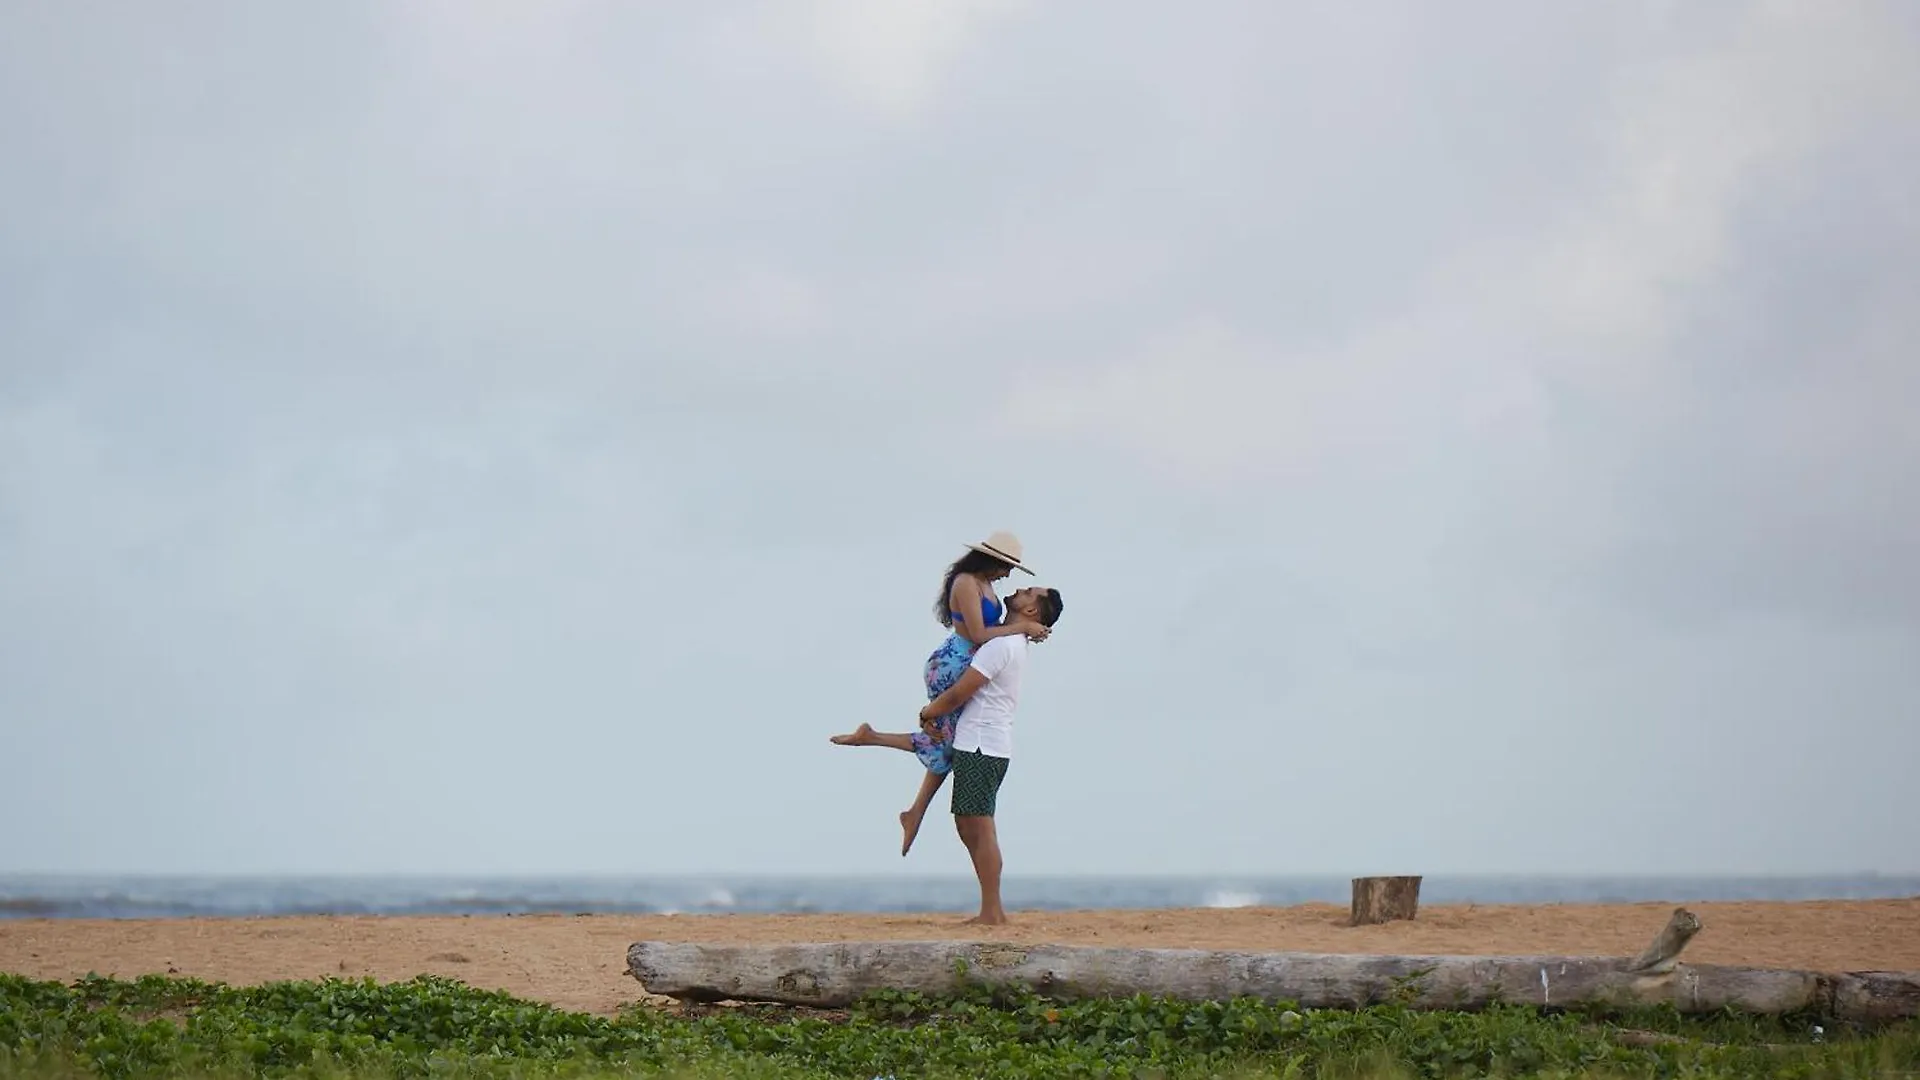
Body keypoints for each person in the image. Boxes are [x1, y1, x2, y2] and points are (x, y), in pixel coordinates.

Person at [832, 584, 1064, 924]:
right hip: (983, 743)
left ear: (1032, 611)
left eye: (1028, 592)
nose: (1018, 588)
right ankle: (991, 910)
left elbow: (959, 693)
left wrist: (928, 713)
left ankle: (992, 912)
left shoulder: (1000, 647)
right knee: (973, 827)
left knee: (978, 829)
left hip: (982, 745)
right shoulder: (1010, 642)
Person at [831, 531, 1050, 856]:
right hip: (952, 663)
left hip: (966, 662)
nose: (1008, 575)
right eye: (1007, 567)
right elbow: (977, 633)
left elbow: (996, 635)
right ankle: (884, 758)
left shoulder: (985, 585)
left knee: (949, 746)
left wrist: (1026, 629)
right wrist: (1023, 627)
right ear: (993, 561)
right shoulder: (965, 582)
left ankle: (911, 805)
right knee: (949, 742)